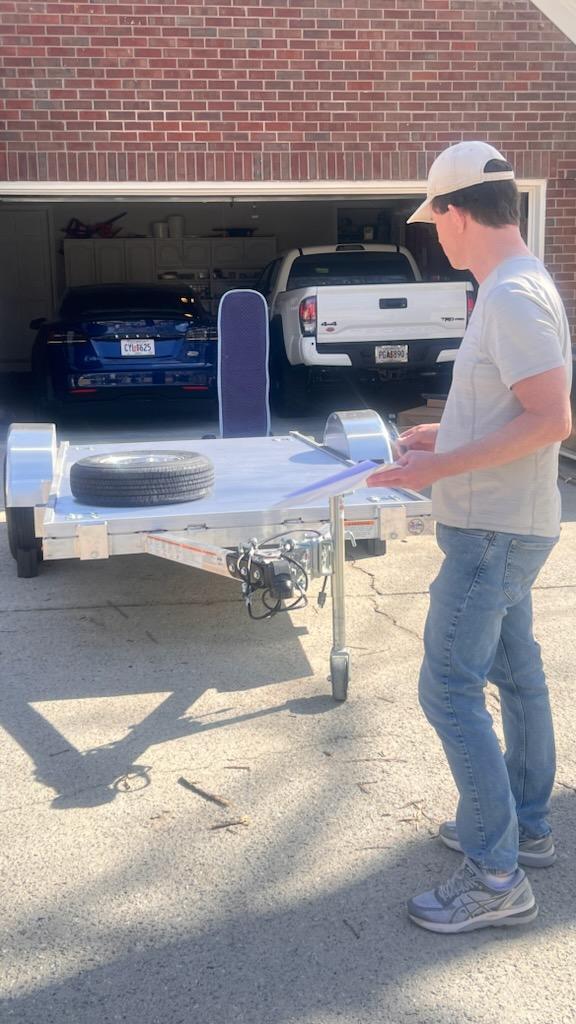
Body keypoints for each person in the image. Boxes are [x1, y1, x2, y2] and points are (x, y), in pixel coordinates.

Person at [368, 141, 572, 934]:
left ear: (457, 214)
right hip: (507, 523)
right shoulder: (518, 285)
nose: (435, 235)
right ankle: (526, 823)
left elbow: (552, 418)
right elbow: (511, 404)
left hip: (492, 535)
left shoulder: (512, 295)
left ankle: (496, 874)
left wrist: (442, 465)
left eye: (436, 220)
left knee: (448, 687)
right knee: (516, 675)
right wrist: (437, 436)